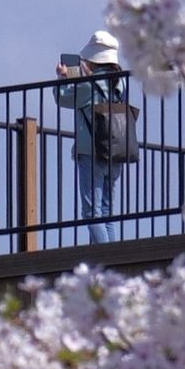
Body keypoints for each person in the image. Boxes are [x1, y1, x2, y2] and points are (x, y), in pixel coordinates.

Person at [57, 32, 134, 228]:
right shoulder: (121, 81)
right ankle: (112, 248)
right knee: (107, 211)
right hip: (115, 150)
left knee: (91, 213)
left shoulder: (88, 85)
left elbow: (63, 98)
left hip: (91, 150)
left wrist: (62, 78)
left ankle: (104, 248)